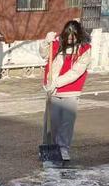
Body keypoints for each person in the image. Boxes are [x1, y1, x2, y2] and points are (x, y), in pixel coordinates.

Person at [39, 20, 91, 162]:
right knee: (52, 122)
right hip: (53, 90)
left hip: (71, 91)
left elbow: (76, 72)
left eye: (73, 37)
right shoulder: (56, 44)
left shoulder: (85, 49)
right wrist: (46, 42)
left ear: (78, 35)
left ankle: (63, 149)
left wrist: (56, 82)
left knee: (66, 123)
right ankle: (50, 147)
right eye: (68, 37)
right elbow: (44, 55)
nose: (70, 40)